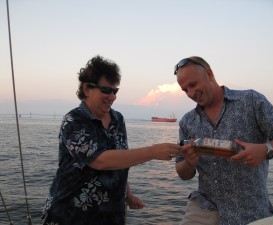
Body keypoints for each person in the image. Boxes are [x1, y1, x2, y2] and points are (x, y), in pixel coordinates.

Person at [41, 55, 181, 225]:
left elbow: (119, 160)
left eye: (115, 91)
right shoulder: (74, 120)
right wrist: (152, 152)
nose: (112, 96)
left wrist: (128, 195)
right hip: (71, 216)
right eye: (106, 90)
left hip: (111, 216)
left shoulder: (118, 119)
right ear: (86, 88)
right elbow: (99, 160)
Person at [173, 56, 273, 225]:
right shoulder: (188, 121)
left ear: (209, 74)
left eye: (193, 85)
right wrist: (188, 162)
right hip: (204, 208)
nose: (190, 93)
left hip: (249, 210)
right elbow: (183, 174)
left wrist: (265, 149)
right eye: (185, 90)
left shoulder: (250, 101)